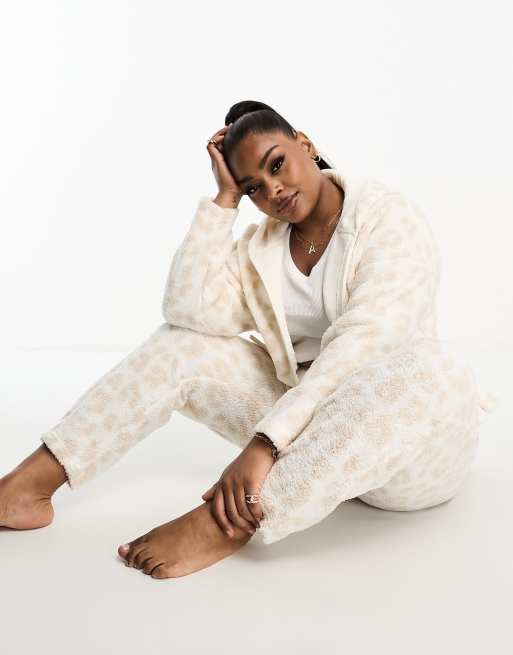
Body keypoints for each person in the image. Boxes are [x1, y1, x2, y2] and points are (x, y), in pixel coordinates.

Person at [0, 100, 496, 580]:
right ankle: (31, 485)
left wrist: (266, 442)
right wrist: (224, 201)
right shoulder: (264, 247)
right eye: (254, 187)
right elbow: (188, 309)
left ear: (306, 144)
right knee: (180, 343)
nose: (273, 190)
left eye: (277, 164)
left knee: (432, 370)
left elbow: (365, 345)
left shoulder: (388, 216)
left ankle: (225, 523)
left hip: (406, 452)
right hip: (310, 442)